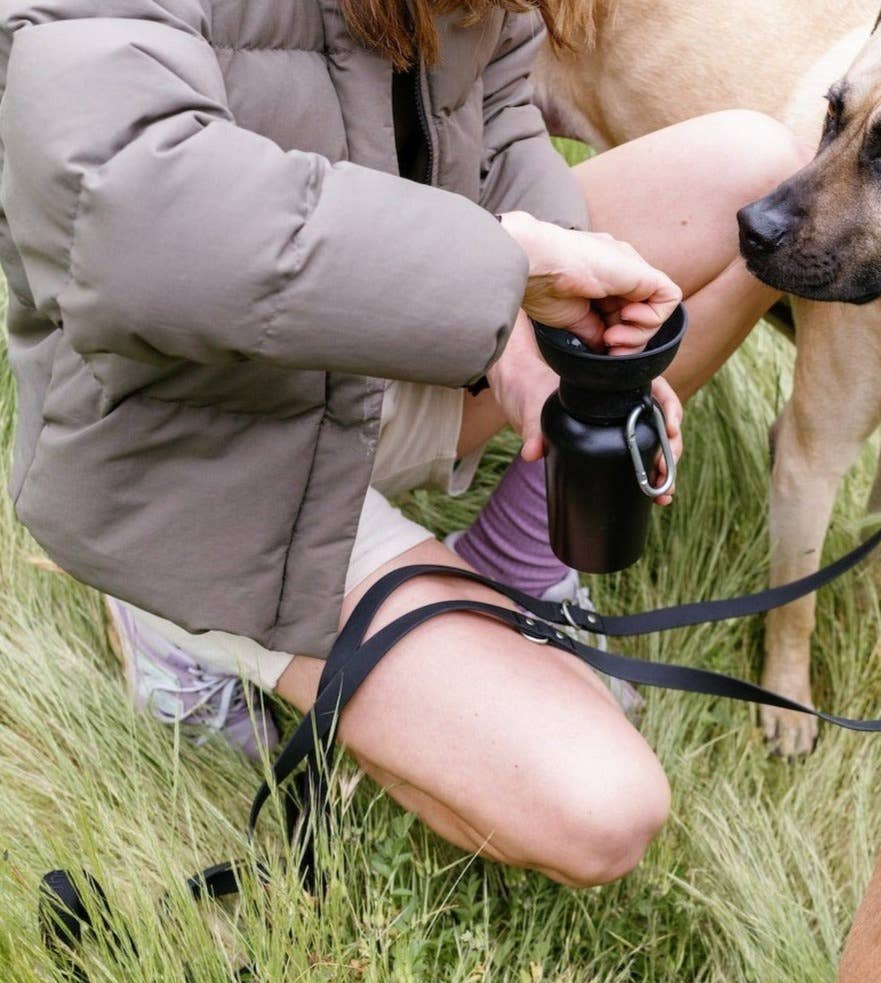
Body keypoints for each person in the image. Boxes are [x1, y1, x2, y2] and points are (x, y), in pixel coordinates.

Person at [0, 0, 803, 887]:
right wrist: (500, 273)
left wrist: (551, 341)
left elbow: (497, 120)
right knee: (602, 810)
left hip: (381, 345)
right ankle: (174, 625)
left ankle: (510, 558)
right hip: (200, 442)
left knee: (752, 170)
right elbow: (131, 215)